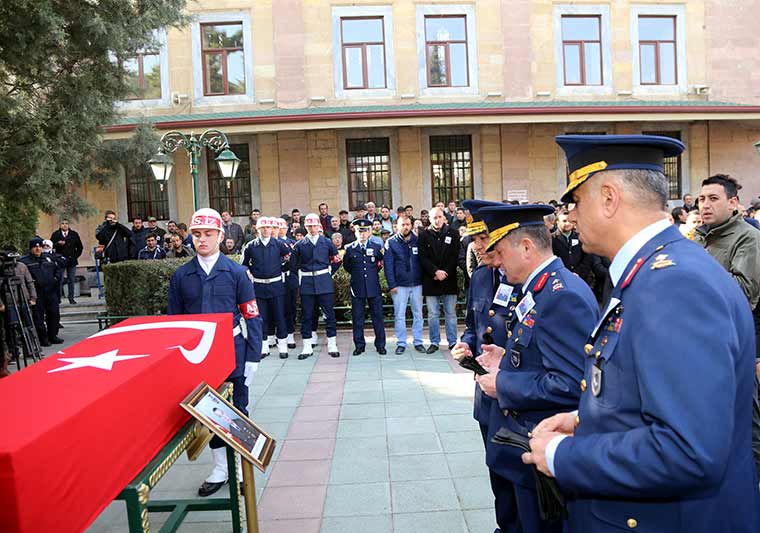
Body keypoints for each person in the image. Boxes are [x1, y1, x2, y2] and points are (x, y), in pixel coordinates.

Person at [521, 134, 760, 533]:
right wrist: (587, 421)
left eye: (576, 201)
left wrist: (564, 455)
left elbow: (688, 450)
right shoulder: (653, 272)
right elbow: (654, 392)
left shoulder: (673, 285)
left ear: (609, 198)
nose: (571, 216)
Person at [472, 203, 598, 533]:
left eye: (500, 252)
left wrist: (504, 385)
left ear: (526, 247)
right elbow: (541, 355)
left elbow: (572, 383)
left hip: (540, 445)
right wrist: (505, 358)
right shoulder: (541, 287)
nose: (495, 261)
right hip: (523, 444)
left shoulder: (559, 295)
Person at [168, 208, 263, 497]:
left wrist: (253, 356)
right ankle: (221, 468)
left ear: (221, 236)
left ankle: (242, 468)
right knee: (208, 412)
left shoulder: (236, 273)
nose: (202, 240)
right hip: (199, 357)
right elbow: (175, 323)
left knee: (238, 409)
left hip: (233, 351)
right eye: (197, 234)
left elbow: (251, 315)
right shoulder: (182, 276)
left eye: (209, 234)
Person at [450, 200, 516, 532]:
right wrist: (466, 344)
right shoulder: (480, 277)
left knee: (521, 480)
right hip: (485, 397)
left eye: (484, 238)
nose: (478, 246)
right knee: (496, 472)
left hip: (517, 399)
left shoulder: (523, 279)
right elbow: (473, 324)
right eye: (474, 239)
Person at [695, 173, 760, 476]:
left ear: (733, 203)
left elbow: (743, 294)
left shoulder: (748, 237)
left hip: (735, 345)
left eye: (713, 199)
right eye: (701, 199)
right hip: (704, 344)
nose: (704, 205)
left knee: (747, 422)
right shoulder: (699, 237)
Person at [241, 217, 291, 359]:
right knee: (261, 317)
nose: (265, 230)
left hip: (276, 285)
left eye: (268, 227)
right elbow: (243, 264)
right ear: (257, 229)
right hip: (258, 286)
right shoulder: (251, 246)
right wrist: (250, 272)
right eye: (262, 228)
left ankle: (283, 346)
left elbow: (289, 258)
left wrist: (282, 269)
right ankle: (263, 347)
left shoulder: (279, 244)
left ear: (272, 229)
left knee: (279, 316)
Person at [293, 213, 341, 359]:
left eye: (314, 225)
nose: (312, 228)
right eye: (309, 226)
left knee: (329, 314)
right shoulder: (299, 245)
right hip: (307, 283)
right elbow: (294, 266)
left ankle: (332, 343)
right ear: (305, 227)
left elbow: (337, 259)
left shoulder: (326, 242)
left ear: (319, 226)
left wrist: (328, 272)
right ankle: (307, 346)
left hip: (324, 282)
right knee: (307, 315)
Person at [418, 206, 460, 353]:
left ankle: (453, 341)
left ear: (444, 218)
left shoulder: (453, 234)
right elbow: (422, 258)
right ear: (430, 219)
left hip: (449, 279)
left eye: (439, 217)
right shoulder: (423, 235)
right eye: (434, 217)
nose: (437, 220)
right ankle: (434, 342)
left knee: (450, 313)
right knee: (433, 314)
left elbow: (455, 256)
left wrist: (445, 272)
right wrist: (435, 271)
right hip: (431, 280)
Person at [342, 219, 386, 356]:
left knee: (377, 317)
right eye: (359, 231)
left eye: (365, 231)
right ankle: (359, 345)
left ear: (370, 232)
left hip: (373, 287)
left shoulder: (377, 247)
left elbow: (379, 265)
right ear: (355, 232)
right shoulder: (349, 248)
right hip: (357, 287)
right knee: (358, 318)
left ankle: (380, 345)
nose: (362, 234)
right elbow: (347, 266)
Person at [384, 214, 424, 354]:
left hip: (417, 284)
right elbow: (388, 266)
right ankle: (401, 343)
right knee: (399, 315)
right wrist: (392, 284)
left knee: (418, 314)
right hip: (399, 285)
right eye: (403, 224)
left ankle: (418, 341)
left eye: (408, 224)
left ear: (411, 225)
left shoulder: (418, 241)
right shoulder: (391, 242)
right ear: (397, 226)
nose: (405, 227)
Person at [20, 237, 63, 347]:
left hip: (50, 291)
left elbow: (58, 270)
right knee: (38, 317)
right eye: (35, 246)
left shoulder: (48, 258)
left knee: (54, 314)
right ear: (31, 248)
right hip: (37, 293)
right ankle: (43, 338)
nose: (38, 248)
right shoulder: (25, 261)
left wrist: (55, 279)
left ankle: (53, 335)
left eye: (39, 246)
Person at [551, 210, 591, 281]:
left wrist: (578, 273)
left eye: (569, 221)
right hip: (561, 278)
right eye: (564, 221)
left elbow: (587, 257)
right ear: (557, 222)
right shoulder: (552, 239)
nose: (567, 223)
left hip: (581, 278)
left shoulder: (580, 236)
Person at [51, 218, 83, 304]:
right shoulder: (56, 234)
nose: (65, 225)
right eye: (63, 223)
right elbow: (50, 246)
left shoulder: (74, 234)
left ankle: (71, 298)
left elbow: (80, 247)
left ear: (68, 225)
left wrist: (75, 256)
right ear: (60, 225)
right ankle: (58, 298)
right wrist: (58, 244)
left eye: (66, 223)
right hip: (60, 260)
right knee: (59, 279)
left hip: (71, 260)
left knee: (71, 279)